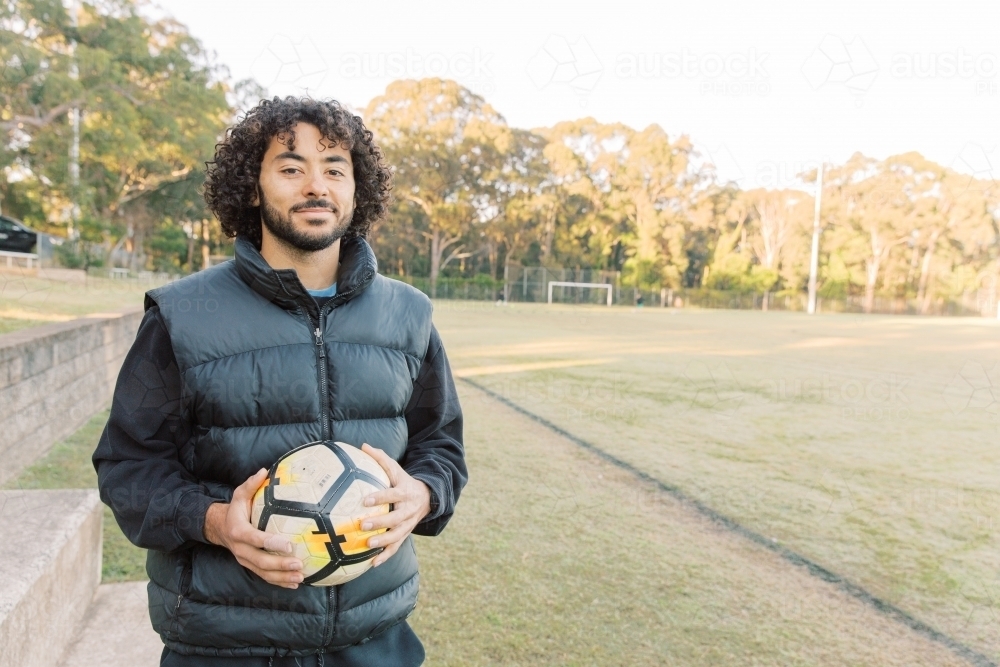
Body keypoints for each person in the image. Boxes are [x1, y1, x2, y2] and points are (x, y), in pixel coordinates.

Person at [93, 97, 468, 666]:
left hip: (375, 641)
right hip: (225, 646)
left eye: (334, 168)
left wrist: (424, 494)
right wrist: (216, 522)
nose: (316, 185)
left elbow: (440, 446)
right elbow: (128, 467)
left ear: (356, 187)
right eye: (291, 167)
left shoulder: (408, 315)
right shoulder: (186, 314)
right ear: (252, 186)